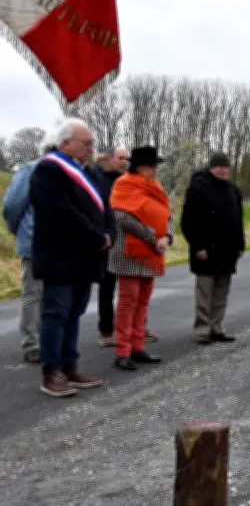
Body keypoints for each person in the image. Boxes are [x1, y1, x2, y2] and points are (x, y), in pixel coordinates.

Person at [29, 118, 115, 397]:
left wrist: (109, 233)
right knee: (56, 313)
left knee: (74, 314)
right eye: (86, 143)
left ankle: (69, 365)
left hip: (85, 257)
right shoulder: (49, 170)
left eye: (92, 143)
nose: (91, 148)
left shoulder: (86, 172)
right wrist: (95, 236)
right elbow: (59, 212)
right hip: (60, 256)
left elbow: (104, 206)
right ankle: (51, 371)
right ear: (66, 143)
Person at [108, 145, 173, 371]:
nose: (156, 171)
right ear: (141, 167)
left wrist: (167, 236)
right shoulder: (123, 184)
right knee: (128, 302)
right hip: (129, 252)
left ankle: (137, 346)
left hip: (152, 254)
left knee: (143, 301)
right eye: (152, 167)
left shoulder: (156, 187)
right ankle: (122, 350)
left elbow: (168, 213)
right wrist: (151, 236)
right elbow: (121, 216)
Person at [92, 146, 161, 347]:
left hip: (134, 242)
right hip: (108, 241)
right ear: (109, 159)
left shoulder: (133, 181)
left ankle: (138, 327)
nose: (124, 162)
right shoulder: (98, 179)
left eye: (126, 159)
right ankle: (106, 330)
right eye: (120, 158)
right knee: (108, 287)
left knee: (135, 290)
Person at [2, 131, 58, 363]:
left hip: (62, 246)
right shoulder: (31, 170)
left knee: (54, 295)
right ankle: (31, 343)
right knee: (33, 294)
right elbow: (12, 206)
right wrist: (22, 231)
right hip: (35, 242)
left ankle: (49, 341)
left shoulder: (71, 174)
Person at [180, 153, 244, 345]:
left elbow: (238, 219)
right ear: (211, 167)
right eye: (219, 166)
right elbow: (188, 221)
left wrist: (240, 245)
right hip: (205, 250)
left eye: (226, 166)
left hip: (228, 250)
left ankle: (217, 327)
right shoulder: (198, 187)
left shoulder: (233, 189)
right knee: (205, 292)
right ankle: (202, 328)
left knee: (221, 292)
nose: (223, 169)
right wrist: (198, 246)